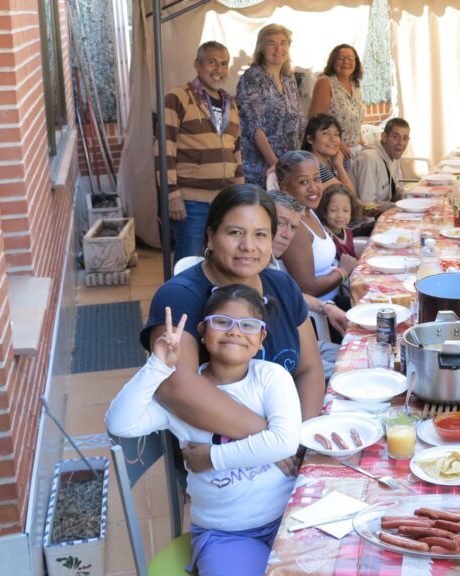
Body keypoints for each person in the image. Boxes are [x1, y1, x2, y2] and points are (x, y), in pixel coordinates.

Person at [107, 286, 301, 576]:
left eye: (248, 325)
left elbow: (284, 442)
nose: (234, 331)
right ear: (202, 331)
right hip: (225, 534)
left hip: (288, 515)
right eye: (222, 322)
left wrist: (212, 457)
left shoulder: (271, 378)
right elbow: (120, 423)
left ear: (261, 338)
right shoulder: (184, 399)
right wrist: (157, 366)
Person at [143, 185, 326, 442]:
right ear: (210, 236)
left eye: (260, 234)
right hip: (219, 450)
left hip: (288, 442)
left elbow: (309, 369)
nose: (248, 246)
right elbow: (176, 387)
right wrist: (272, 439)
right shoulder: (179, 297)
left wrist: (301, 439)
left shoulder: (282, 286)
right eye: (235, 233)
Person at [159, 41, 244, 260]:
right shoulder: (177, 98)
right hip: (191, 203)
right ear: (197, 65)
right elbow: (164, 148)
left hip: (225, 201)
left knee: (221, 262)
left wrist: (240, 193)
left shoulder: (230, 103)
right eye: (211, 62)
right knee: (190, 264)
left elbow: (236, 151)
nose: (219, 69)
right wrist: (172, 195)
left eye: (224, 63)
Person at [264, 189, 347, 379]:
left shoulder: (270, 262)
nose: (287, 234)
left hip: (298, 343)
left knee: (361, 357)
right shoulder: (251, 265)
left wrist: (325, 306)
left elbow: (288, 295)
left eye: (293, 227)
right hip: (280, 359)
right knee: (351, 371)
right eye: (280, 223)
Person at [275, 150, 357, 302]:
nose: (313, 188)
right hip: (321, 312)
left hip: (336, 298)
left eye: (317, 179)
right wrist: (343, 271)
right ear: (284, 186)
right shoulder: (294, 227)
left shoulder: (309, 211)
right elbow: (308, 289)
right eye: (303, 182)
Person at [237, 24, 306, 187]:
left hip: (287, 166)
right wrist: (275, 163)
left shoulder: (288, 78)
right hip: (262, 169)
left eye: (283, 43)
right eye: (271, 43)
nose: (278, 48)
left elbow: (298, 121)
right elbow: (254, 128)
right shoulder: (253, 77)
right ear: (261, 48)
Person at [308, 44, 365, 156]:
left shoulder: (355, 84)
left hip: (355, 150)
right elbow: (315, 120)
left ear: (356, 62)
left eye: (350, 58)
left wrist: (361, 141)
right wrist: (337, 144)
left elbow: (355, 120)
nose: (346, 62)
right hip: (333, 152)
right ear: (333, 61)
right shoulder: (325, 82)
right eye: (341, 58)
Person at [352, 118, 410, 215]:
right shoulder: (369, 158)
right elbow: (368, 206)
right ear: (384, 137)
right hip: (365, 221)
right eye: (395, 137)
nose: (401, 143)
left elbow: (394, 190)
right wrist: (400, 206)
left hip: (384, 214)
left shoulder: (394, 155)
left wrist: (410, 196)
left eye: (405, 138)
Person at [302, 114, 357, 196]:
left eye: (336, 134)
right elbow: (349, 195)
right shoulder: (312, 165)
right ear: (310, 139)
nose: (333, 139)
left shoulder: (329, 163)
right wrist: (339, 166)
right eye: (325, 133)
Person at [318, 184, 359, 261]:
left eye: (345, 210)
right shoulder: (326, 238)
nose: (340, 215)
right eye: (333, 210)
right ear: (324, 212)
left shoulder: (348, 231)